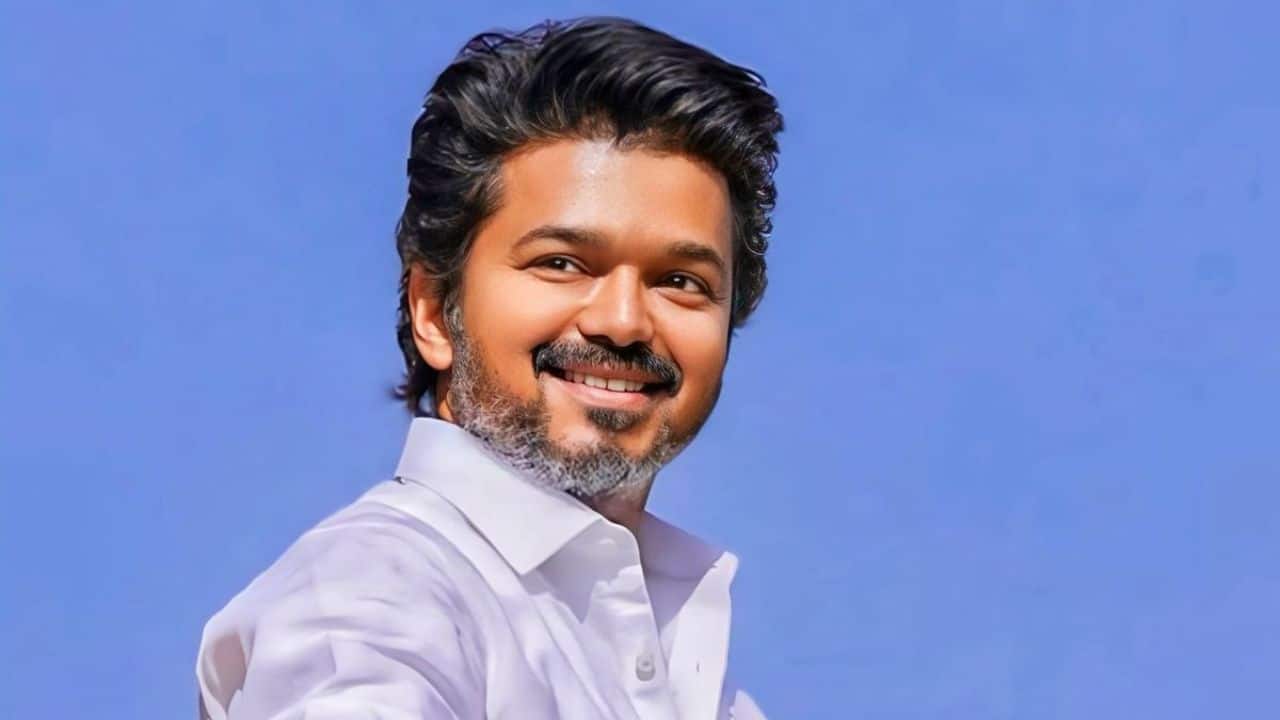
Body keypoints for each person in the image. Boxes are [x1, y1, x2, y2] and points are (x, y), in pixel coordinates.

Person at [196, 16, 782, 719]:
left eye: (680, 281)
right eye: (562, 263)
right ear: (434, 311)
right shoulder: (370, 601)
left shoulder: (692, 666)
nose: (624, 321)